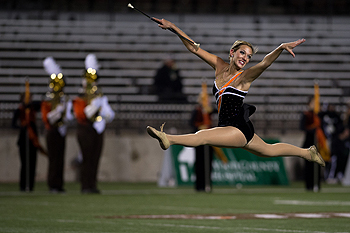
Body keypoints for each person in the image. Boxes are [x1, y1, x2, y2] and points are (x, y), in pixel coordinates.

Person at [146, 18, 325, 168]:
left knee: (202, 136)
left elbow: (264, 63)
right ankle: (307, 153)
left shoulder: (244, 78)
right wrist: (173, 27)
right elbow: (194, 48)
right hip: (229, 127)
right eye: (242, 53)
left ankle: (167, 138)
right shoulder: (219, 65)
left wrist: (280, 48)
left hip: (238, 129)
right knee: (269, 150)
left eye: (248, 56)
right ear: (232, 52)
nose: (245, 58)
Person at [73, 54, 115, 194]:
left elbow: (110, 115)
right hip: (85, 129)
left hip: (97, 129)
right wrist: (94, 107)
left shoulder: (100, 97)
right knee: (86, 158)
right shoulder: (80, 97)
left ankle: (92, 184)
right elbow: (82, 114)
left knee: (95, 158)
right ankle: (85, 185)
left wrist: (102, 111)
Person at [41, 57, 74, 193]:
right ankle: (52, 184)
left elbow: (69, 116)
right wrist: (57, 112)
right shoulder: (48, 100)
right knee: (54, 159)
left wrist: (65, 116)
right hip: (52, 131)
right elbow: (46, 118)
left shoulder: (64, 99)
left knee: (60, 159)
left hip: (61, 130)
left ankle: (59, 184)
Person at [12, 80, 45, 192]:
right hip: (23, 139)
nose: (29, 99)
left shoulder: (31, 108)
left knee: (32, 163)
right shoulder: (20, 110)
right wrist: (22, 127)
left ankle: (30, 185)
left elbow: (41, 104)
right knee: (24, 163)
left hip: (33, 140)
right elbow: (13, 124)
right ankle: (23, 185)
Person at [190, 83, 214, 192]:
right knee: (199, 163)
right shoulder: (197, 110)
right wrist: (200, 127)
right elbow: (192, 123)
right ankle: (199, 185)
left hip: (209, 139)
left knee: (209, 163)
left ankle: (208, 184)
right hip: (199, 139)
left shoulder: (208, 110)